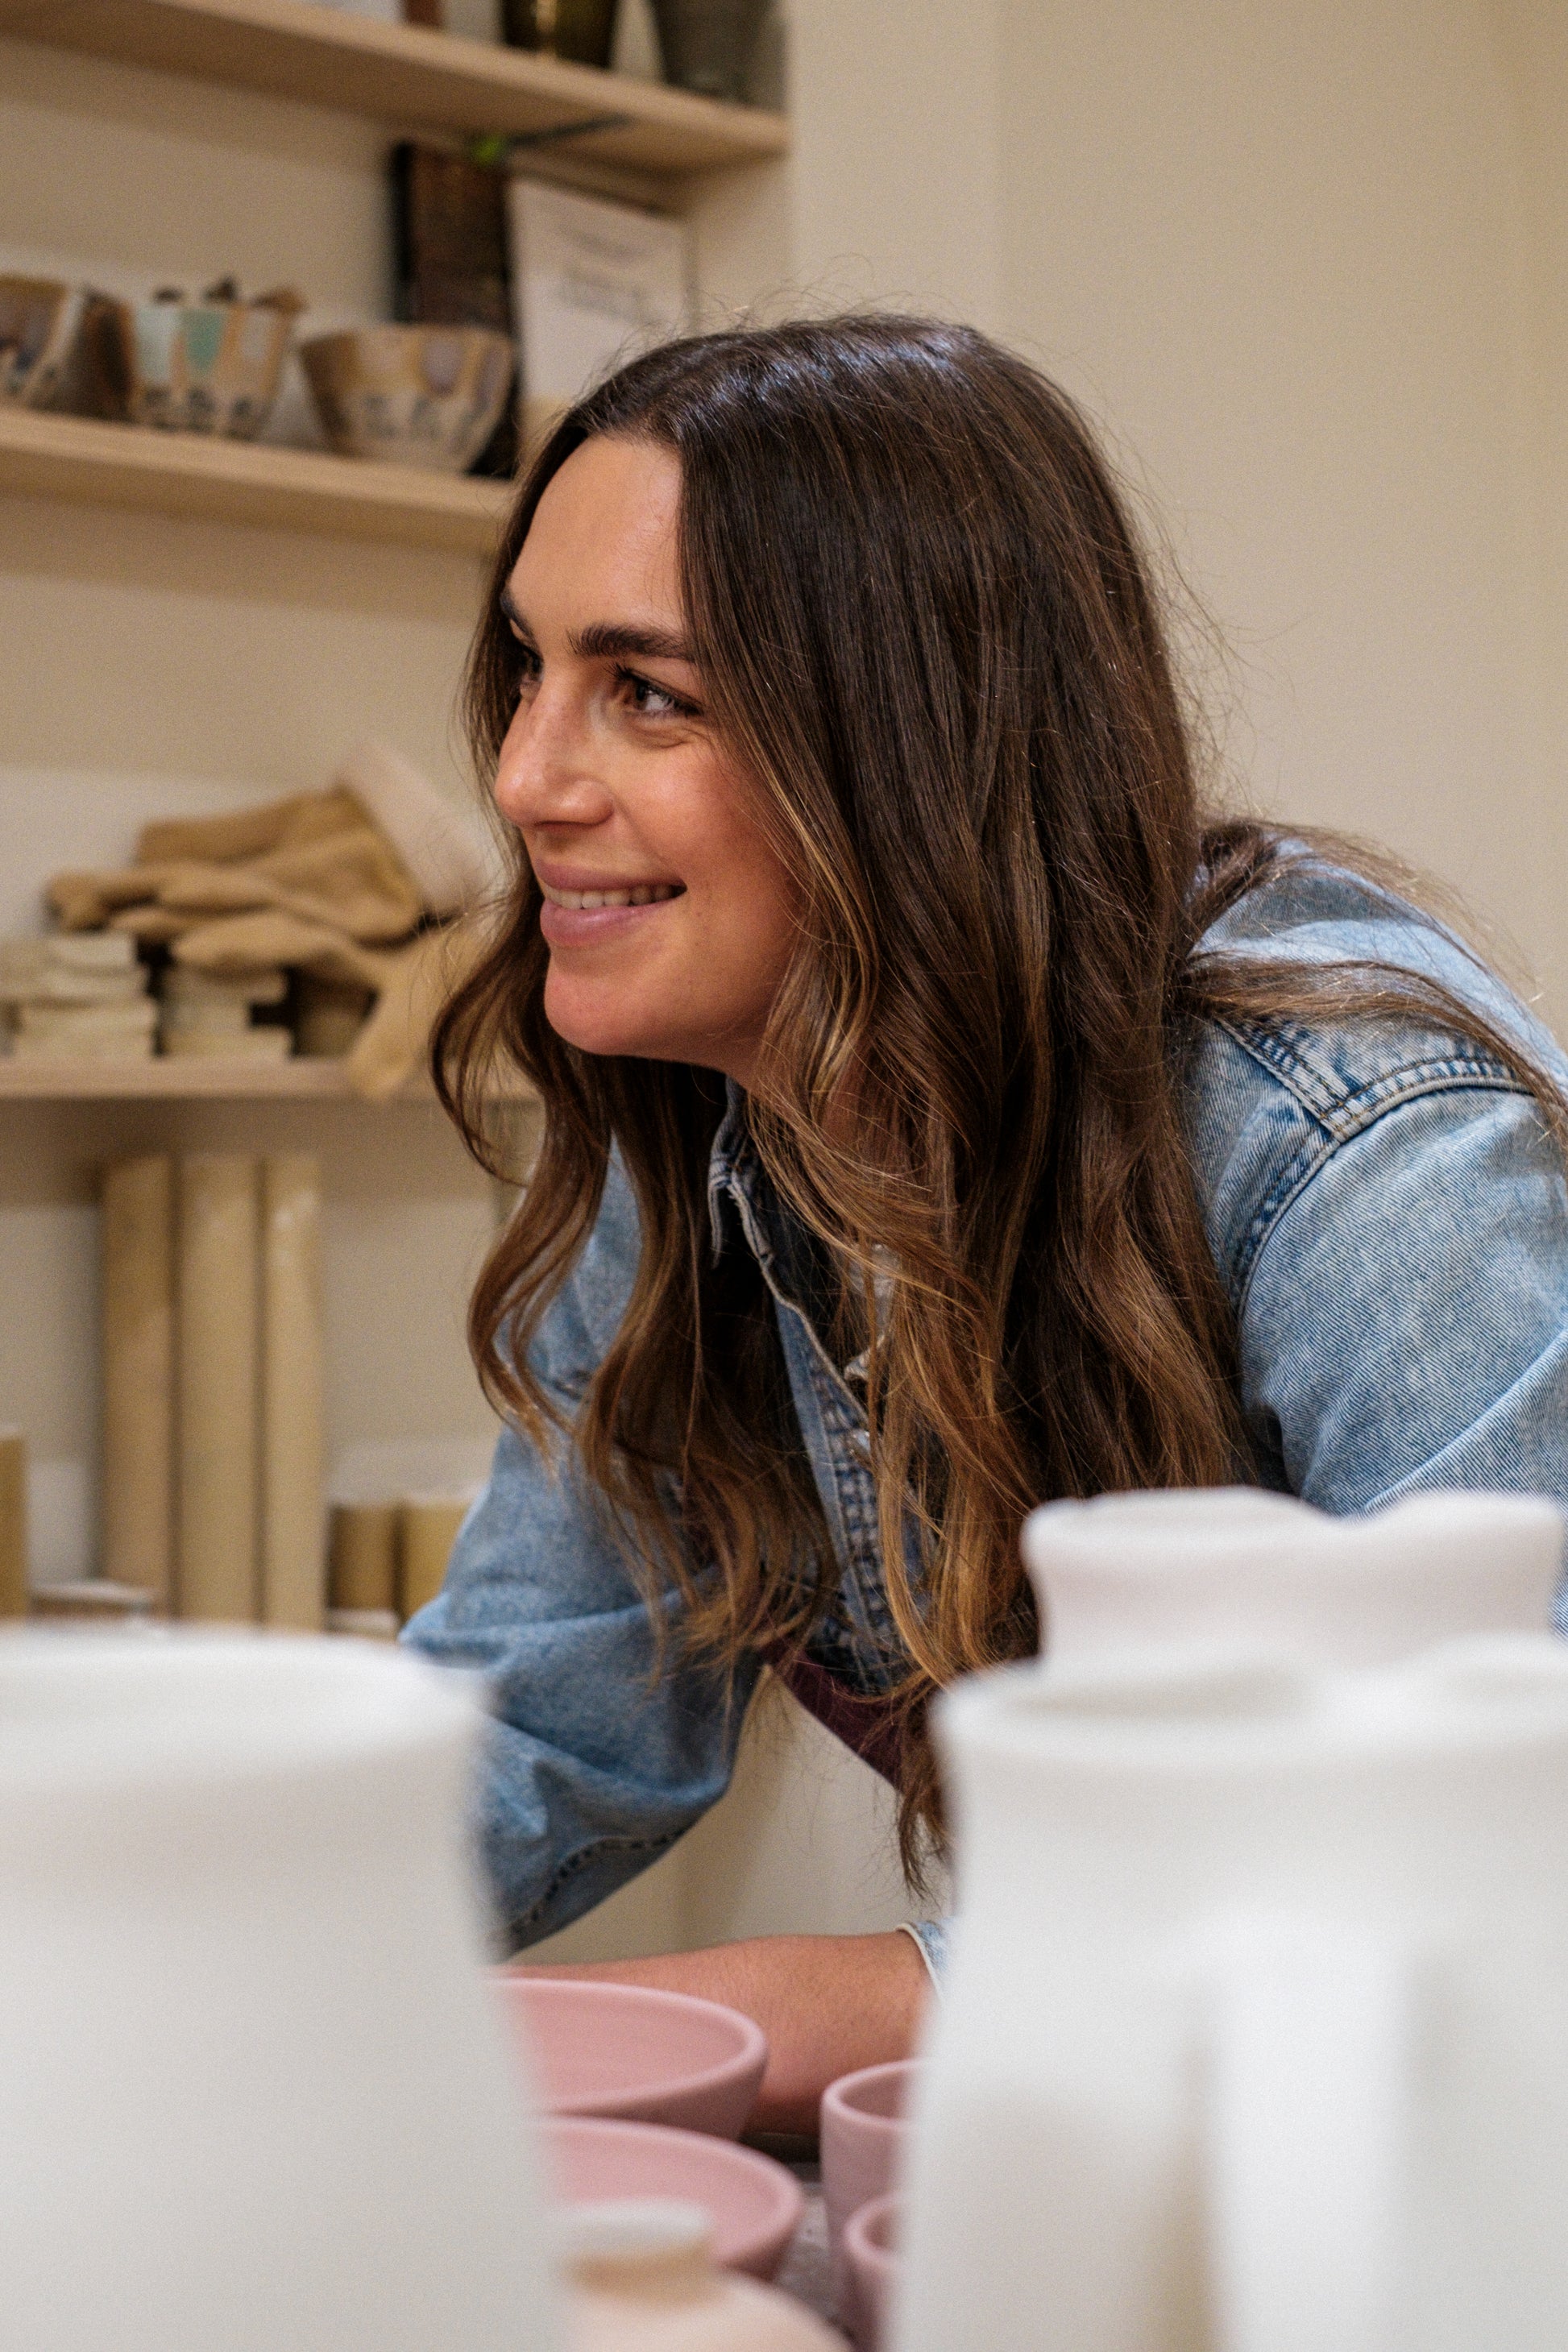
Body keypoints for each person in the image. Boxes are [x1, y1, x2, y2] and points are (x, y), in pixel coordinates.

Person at [405, 315, 1568, 2133]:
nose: (526, 777)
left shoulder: (1363, 1149)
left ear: (907, 740)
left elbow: (1487, 1879)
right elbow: (541, 1723)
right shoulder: (700, 1111)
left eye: (648, 692)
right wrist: (181, 1916)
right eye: (530, 669)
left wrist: (703, 2020)